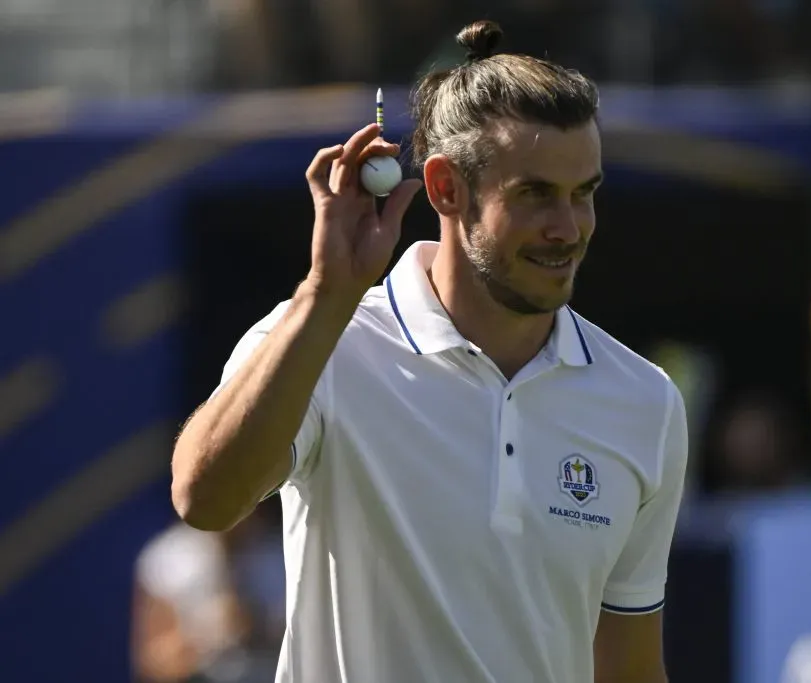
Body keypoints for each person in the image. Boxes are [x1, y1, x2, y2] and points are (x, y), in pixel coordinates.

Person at [171, 19, 688, 683]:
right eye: (534, 195)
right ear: (445, 188)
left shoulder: (646, 401)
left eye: (583, 194)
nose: (568, 228)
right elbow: (203, 497)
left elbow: (630, 669)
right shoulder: (320, 338)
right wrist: (327, 294)